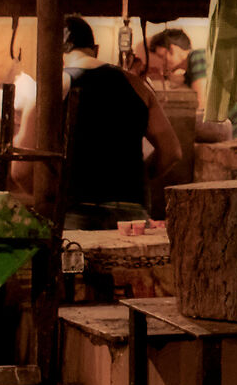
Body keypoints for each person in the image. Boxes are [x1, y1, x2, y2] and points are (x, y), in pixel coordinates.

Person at [61, 17, 180, 229]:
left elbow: (20, 172)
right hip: (130, 212)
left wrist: (51, 194)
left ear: (57, 52)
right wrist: (140, 176)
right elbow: (172, 152)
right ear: (95, 49)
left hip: (76, 210)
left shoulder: (53, 87)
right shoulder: (136, 85)